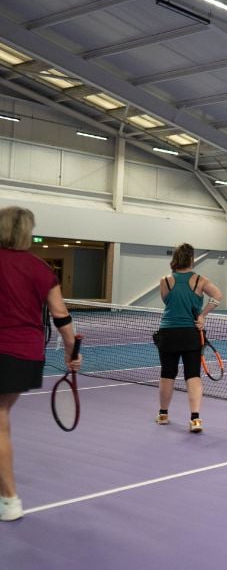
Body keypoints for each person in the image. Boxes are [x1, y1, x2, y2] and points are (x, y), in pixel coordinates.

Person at [0, 207, 82, 522]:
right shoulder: (41, 269)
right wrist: (71, 352)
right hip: (25, 355)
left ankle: (9, 500)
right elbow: (61, 316)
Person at [154, 243, 223, 434]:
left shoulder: (165, 281)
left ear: (175, 259)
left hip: (168, 333)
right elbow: (217, 296)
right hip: (190, 334)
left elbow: (167, 301)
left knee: (167, 374)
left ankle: (163, 414)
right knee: (193, 376)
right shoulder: (200, 281)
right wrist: (202, 315)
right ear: (191, 259)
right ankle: (195, 419)